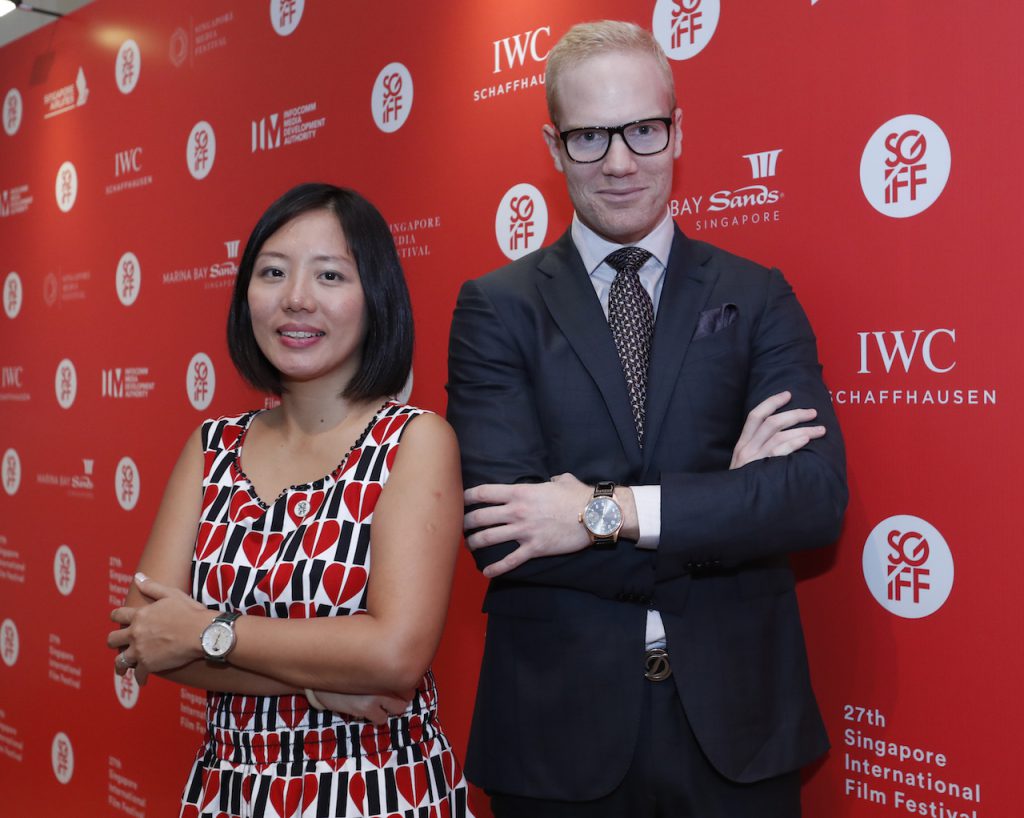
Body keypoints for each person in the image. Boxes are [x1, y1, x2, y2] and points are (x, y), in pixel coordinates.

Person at [446, 21, 847, 818]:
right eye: (590, 136)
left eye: (643, 129)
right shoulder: (496, 309)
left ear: (677, 132)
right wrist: (728, 504)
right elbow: (507, 530)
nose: (621, 161)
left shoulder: (758, 293)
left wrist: (604, 512)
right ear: (554, 146)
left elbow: (810, 498)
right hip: (557, 739)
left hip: (739, 732)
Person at [108, 183, 473, 818]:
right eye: (272, 272)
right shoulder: (212, 445)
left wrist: (208, 632)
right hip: (232, 791)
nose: (296, 298)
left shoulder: (414, 441)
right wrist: (316, 677)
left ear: (376, 299)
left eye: (330, 275)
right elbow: (144, 638)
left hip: (378, 791)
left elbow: (394, 656)